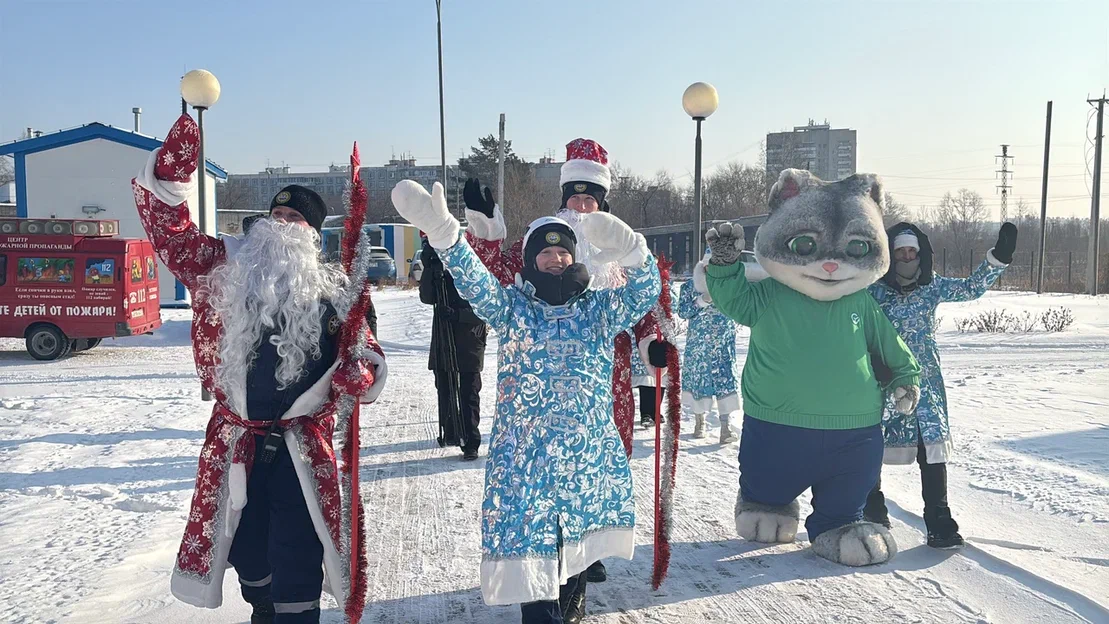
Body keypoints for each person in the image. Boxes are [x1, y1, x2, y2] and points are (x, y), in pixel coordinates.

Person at [133, 114, 387, 624]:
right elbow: (170, 232)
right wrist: (170, 174)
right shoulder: (222, 265)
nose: (281, 226)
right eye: (276, 216)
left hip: (301, 447)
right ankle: (262, 608)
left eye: (295, 222)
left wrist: (360, 375)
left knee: (297, 551)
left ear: (311, 237)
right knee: (248, 550)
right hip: (236, 443)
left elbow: (370, 356)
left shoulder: (338, 292)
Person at [391, 179, 660, 624]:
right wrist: (444, 235)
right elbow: (474, 282)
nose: (556, 259)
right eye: (545, 252)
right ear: (531, 260)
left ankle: (569, 610)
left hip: (585, 458)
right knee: (533, 557)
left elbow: (644, 293)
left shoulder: (598, 310)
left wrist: (634, 251)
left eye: (563, 252)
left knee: (575, 552)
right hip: (526, 462)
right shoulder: (513, 308)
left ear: (574, 258)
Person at [463, 139, 675, 582]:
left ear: (602, 200)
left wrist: (653, 340)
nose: (581, 205)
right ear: (563, 200)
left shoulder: (619, 244)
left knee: (599, 457)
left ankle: (589, 545)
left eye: (590, 197)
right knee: (541, 474)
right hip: (536, 381)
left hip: (605, 367)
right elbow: (493, 274)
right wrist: (483, 227)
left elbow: (646, 300)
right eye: (574, 196)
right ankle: (550, 553)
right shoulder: (539, 240)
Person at [705, 169, 921, 566]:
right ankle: (765, 503)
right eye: (806, 244)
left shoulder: (860, 302)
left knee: (850, 484)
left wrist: (905, 377)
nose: (830, 265)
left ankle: (839, 524)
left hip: (854, 427)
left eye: (855, 249)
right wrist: (724, 264)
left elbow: (888, 345)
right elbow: (732, 300)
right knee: (768, 476)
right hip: (776, 421)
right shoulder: (770, 294)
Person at [865, 222, 1016, 549]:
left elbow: (971, 288)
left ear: (921, 255)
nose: (906, 257)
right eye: (900, 252)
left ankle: (939, 518)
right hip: (882, 381)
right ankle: (871, 508)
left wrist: (997, 259)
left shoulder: (930, 287)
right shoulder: (873, 290)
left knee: (931, 448)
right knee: (869, 443)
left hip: (926, 382)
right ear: (890, 255)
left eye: (911, 252)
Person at [418, 237, 488, 460]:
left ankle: (471, 441)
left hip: (470, 341)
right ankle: (451, 431)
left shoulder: (475, 271)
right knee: (445, 388)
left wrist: (458, 315)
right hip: (443, 339)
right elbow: (427, 297)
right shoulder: (440, 273)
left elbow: (485, 310)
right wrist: (429, 267)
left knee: (468, 393)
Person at [677, 250, 741, 443]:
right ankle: (700, 422)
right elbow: (682, 311)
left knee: (724, 382)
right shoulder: (690, 286)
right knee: (699, 382)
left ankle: (725, 427)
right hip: (699, 346)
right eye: (708, 267)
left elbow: (739, 307)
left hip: (723, 344)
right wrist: (701, 301)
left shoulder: (727, 286)